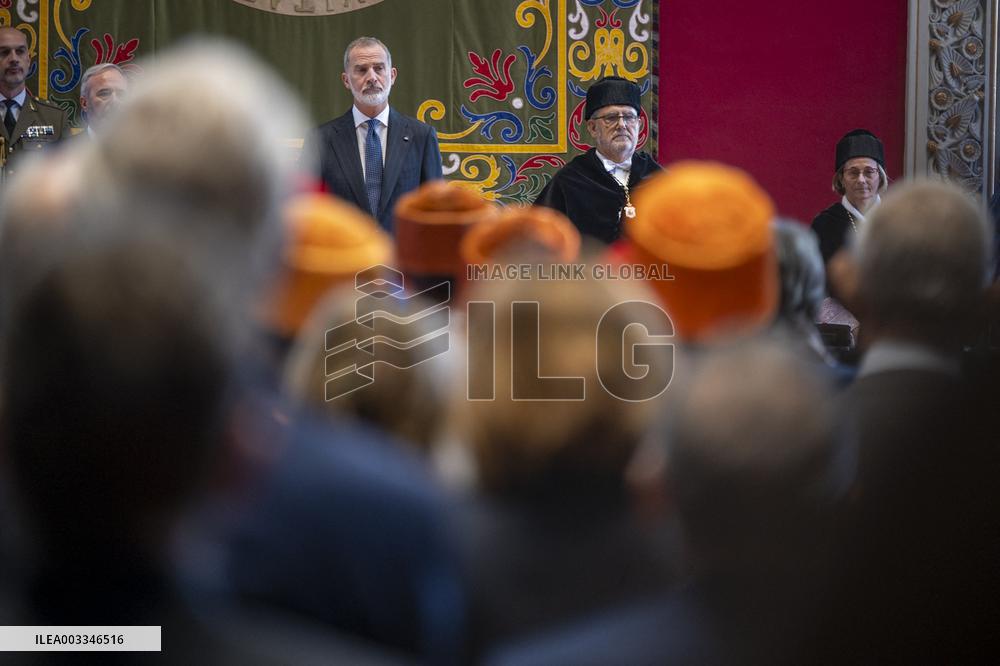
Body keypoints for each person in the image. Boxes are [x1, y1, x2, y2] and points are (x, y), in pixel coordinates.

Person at [307, 36, 443, 232]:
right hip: (345, 258)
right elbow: (310, 212)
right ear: (346, 80)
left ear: (392, 75)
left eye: (379, 68)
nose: (371, 77)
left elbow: (435, 213)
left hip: (402, 260)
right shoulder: (320, 141)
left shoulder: (421, 136)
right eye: (361, 70)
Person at [534, 76, 661, 244]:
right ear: (593, 128)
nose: (622, 125)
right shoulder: (570, 181)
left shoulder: (660, 180)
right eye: (611, 118)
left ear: (639, 124)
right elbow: (537, 241)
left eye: (629, 117)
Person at [810, 129, 888, 266]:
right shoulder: (824, 225)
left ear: (880, 176)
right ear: (841, 179)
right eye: (853, 173)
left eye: (869, 172)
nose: (861, 180)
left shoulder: (897, 219)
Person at [0, 27, 68, 182]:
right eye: (4, 52)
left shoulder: (54, 118)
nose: (14, 59)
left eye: (20, 51)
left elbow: (65, 180)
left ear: (28, 60)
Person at [78, 62, 128, 136]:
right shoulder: (65, 147)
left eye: (121, 95)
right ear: (85, 103)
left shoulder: (145, 147)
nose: (115, 101)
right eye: (104, 94)